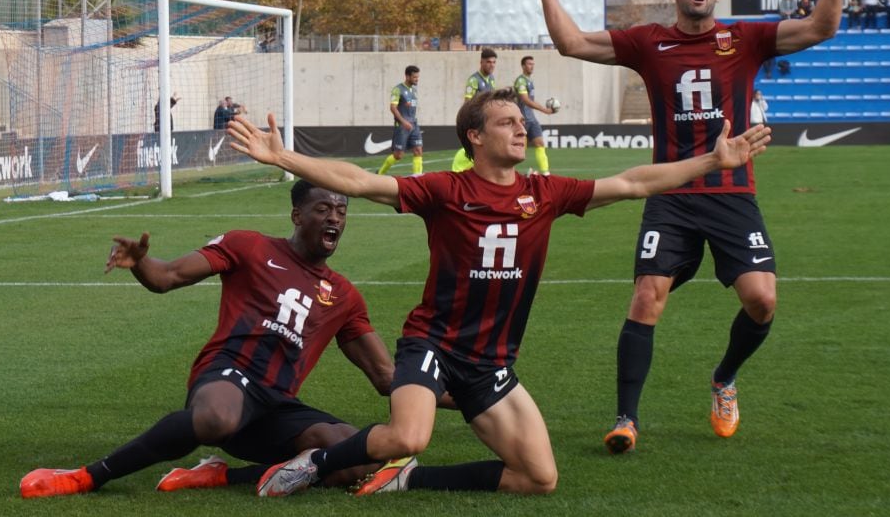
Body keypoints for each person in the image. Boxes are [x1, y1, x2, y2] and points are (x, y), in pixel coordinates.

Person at [225, 92, 770, 497]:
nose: (522, 128)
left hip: (492, 362)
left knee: (539, 478)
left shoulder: (546, 193)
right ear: (476, 138)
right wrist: (285, 158)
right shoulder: (446, 189)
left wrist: (712, 163)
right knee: (408, 433)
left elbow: (633, 183)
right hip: (432, 344)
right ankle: (313, 465)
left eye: (522, 120)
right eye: (508, 122)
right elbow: (361, 182)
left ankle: (407, 484)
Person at [532, 0, 846, 454]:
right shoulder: (648, 42)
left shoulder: (746, 38)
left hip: (731, 192)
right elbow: (573, 43)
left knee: (762, 300)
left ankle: (724, 379)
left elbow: (822, 26)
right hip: (671, 195)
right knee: (646, 296)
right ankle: (626, 420)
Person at [18, 180, 395, 499]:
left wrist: (450, 387)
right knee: (218, 417)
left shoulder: (344, 295)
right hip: (229, 377)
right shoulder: (248, 246)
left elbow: (386, 377)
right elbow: (168, 276)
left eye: (341, 212)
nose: (334, 218)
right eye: (323, 209)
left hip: (277, 405)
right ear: (297, 215)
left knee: (362, 455)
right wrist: (141, 263)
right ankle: (89, 475)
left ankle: (219, 475)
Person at [451, 48, 497, 172]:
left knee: (484, 146)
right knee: (476, 146)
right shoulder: (474, 80)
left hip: (486, 118)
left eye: (493, 62)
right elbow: (468, 101)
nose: (491, 65)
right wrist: (470, 119)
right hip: (477, 119)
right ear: (481, 62)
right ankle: (459, 169)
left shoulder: (491, 79)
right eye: (488, 62)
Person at [513, 55, 557, 175]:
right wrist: (544, 109)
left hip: (531, 118)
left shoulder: (529, 81)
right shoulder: (521, 81)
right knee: (519, 149)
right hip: (522, 119)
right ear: (523, 66)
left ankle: (545, 173)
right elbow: (525, 100)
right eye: (529, 64)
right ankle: (509, 173)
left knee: (540, 143)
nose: (531, 66)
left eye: (533, 64)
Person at [376, 65, 423, 176]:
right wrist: (403, 122)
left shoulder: (414, 90)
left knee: (418, 151)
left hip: (414, 125)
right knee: (398, 155)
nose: (417, 79)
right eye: (415, 77)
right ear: (407, 76)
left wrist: (411, 122)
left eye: (418, 77)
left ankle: (417, 179)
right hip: (402, 127)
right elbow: (393, 107)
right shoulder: (398, 90)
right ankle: (380, 173)